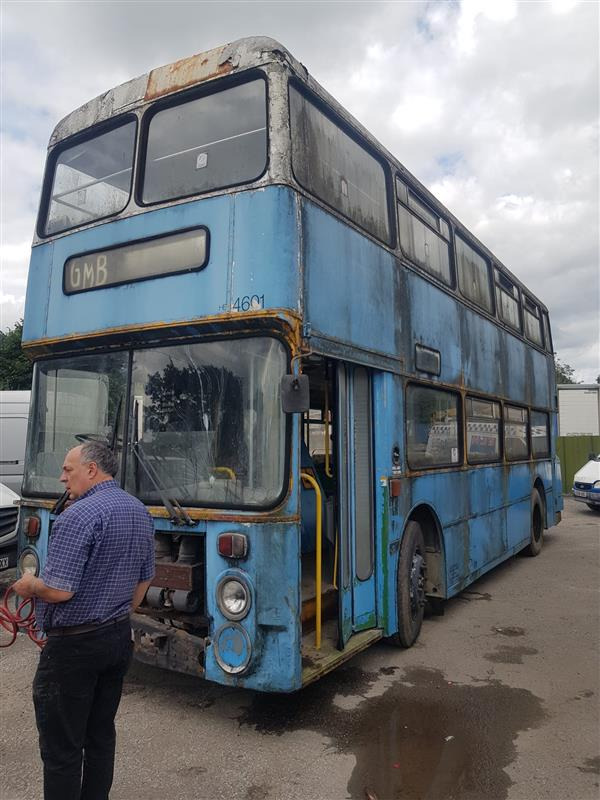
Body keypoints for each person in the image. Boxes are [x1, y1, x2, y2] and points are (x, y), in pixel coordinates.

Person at [13, 441, 155, 800]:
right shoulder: (139, 509)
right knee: (100, 736)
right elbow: (145, 579)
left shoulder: (78, 516)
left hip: (73, 649)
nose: (62, 478)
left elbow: (59, 591)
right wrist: (119, 609)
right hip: (116, 637)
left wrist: (29, 586)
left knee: (62, 749)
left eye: (68, 470)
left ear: (92, 470)